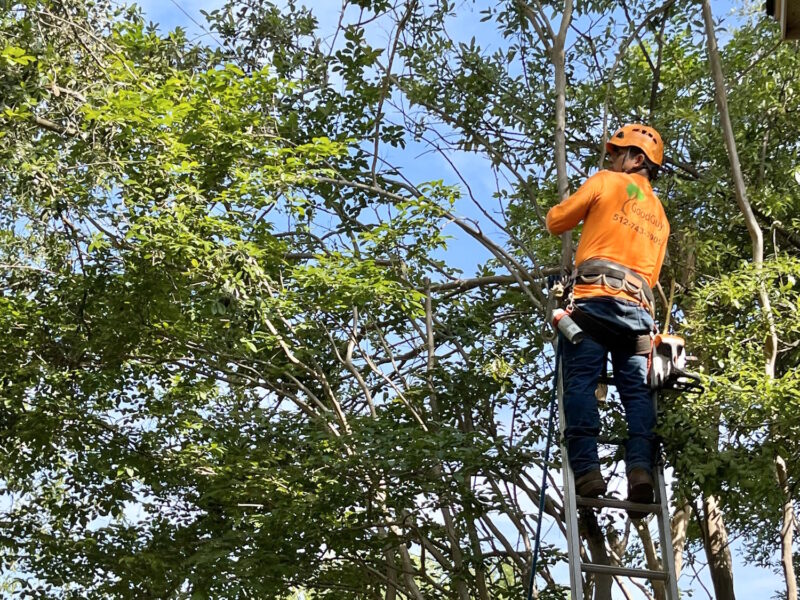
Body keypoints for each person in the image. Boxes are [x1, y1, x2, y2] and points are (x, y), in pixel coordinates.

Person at [546, 124, 670, 511]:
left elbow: (557, 222)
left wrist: (564, 206)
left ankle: (587, 471)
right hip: (638, 312)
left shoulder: (606, 182)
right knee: (636, 391)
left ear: (636, 159)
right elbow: (652, 274)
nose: (613, 160)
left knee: (581, 381)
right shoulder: (661, 217)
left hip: (596, 302)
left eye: (618, 154)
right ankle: (640, 471)